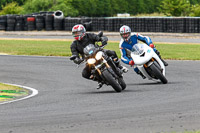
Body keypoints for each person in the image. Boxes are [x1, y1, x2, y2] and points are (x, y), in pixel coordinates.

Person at [70, 24, 128, 89]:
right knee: (84, 74)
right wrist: (77, 60)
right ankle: (99, 80)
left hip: (97, 52)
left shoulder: (89, 35)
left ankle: (119, 66)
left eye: (78, 33)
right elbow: (74, 54)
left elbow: (98, 38)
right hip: (88, 59)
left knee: (112, 53)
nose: (77, 35)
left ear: (83, 31)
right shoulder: (74, 45)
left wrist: (103, 40)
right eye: (75, 33)